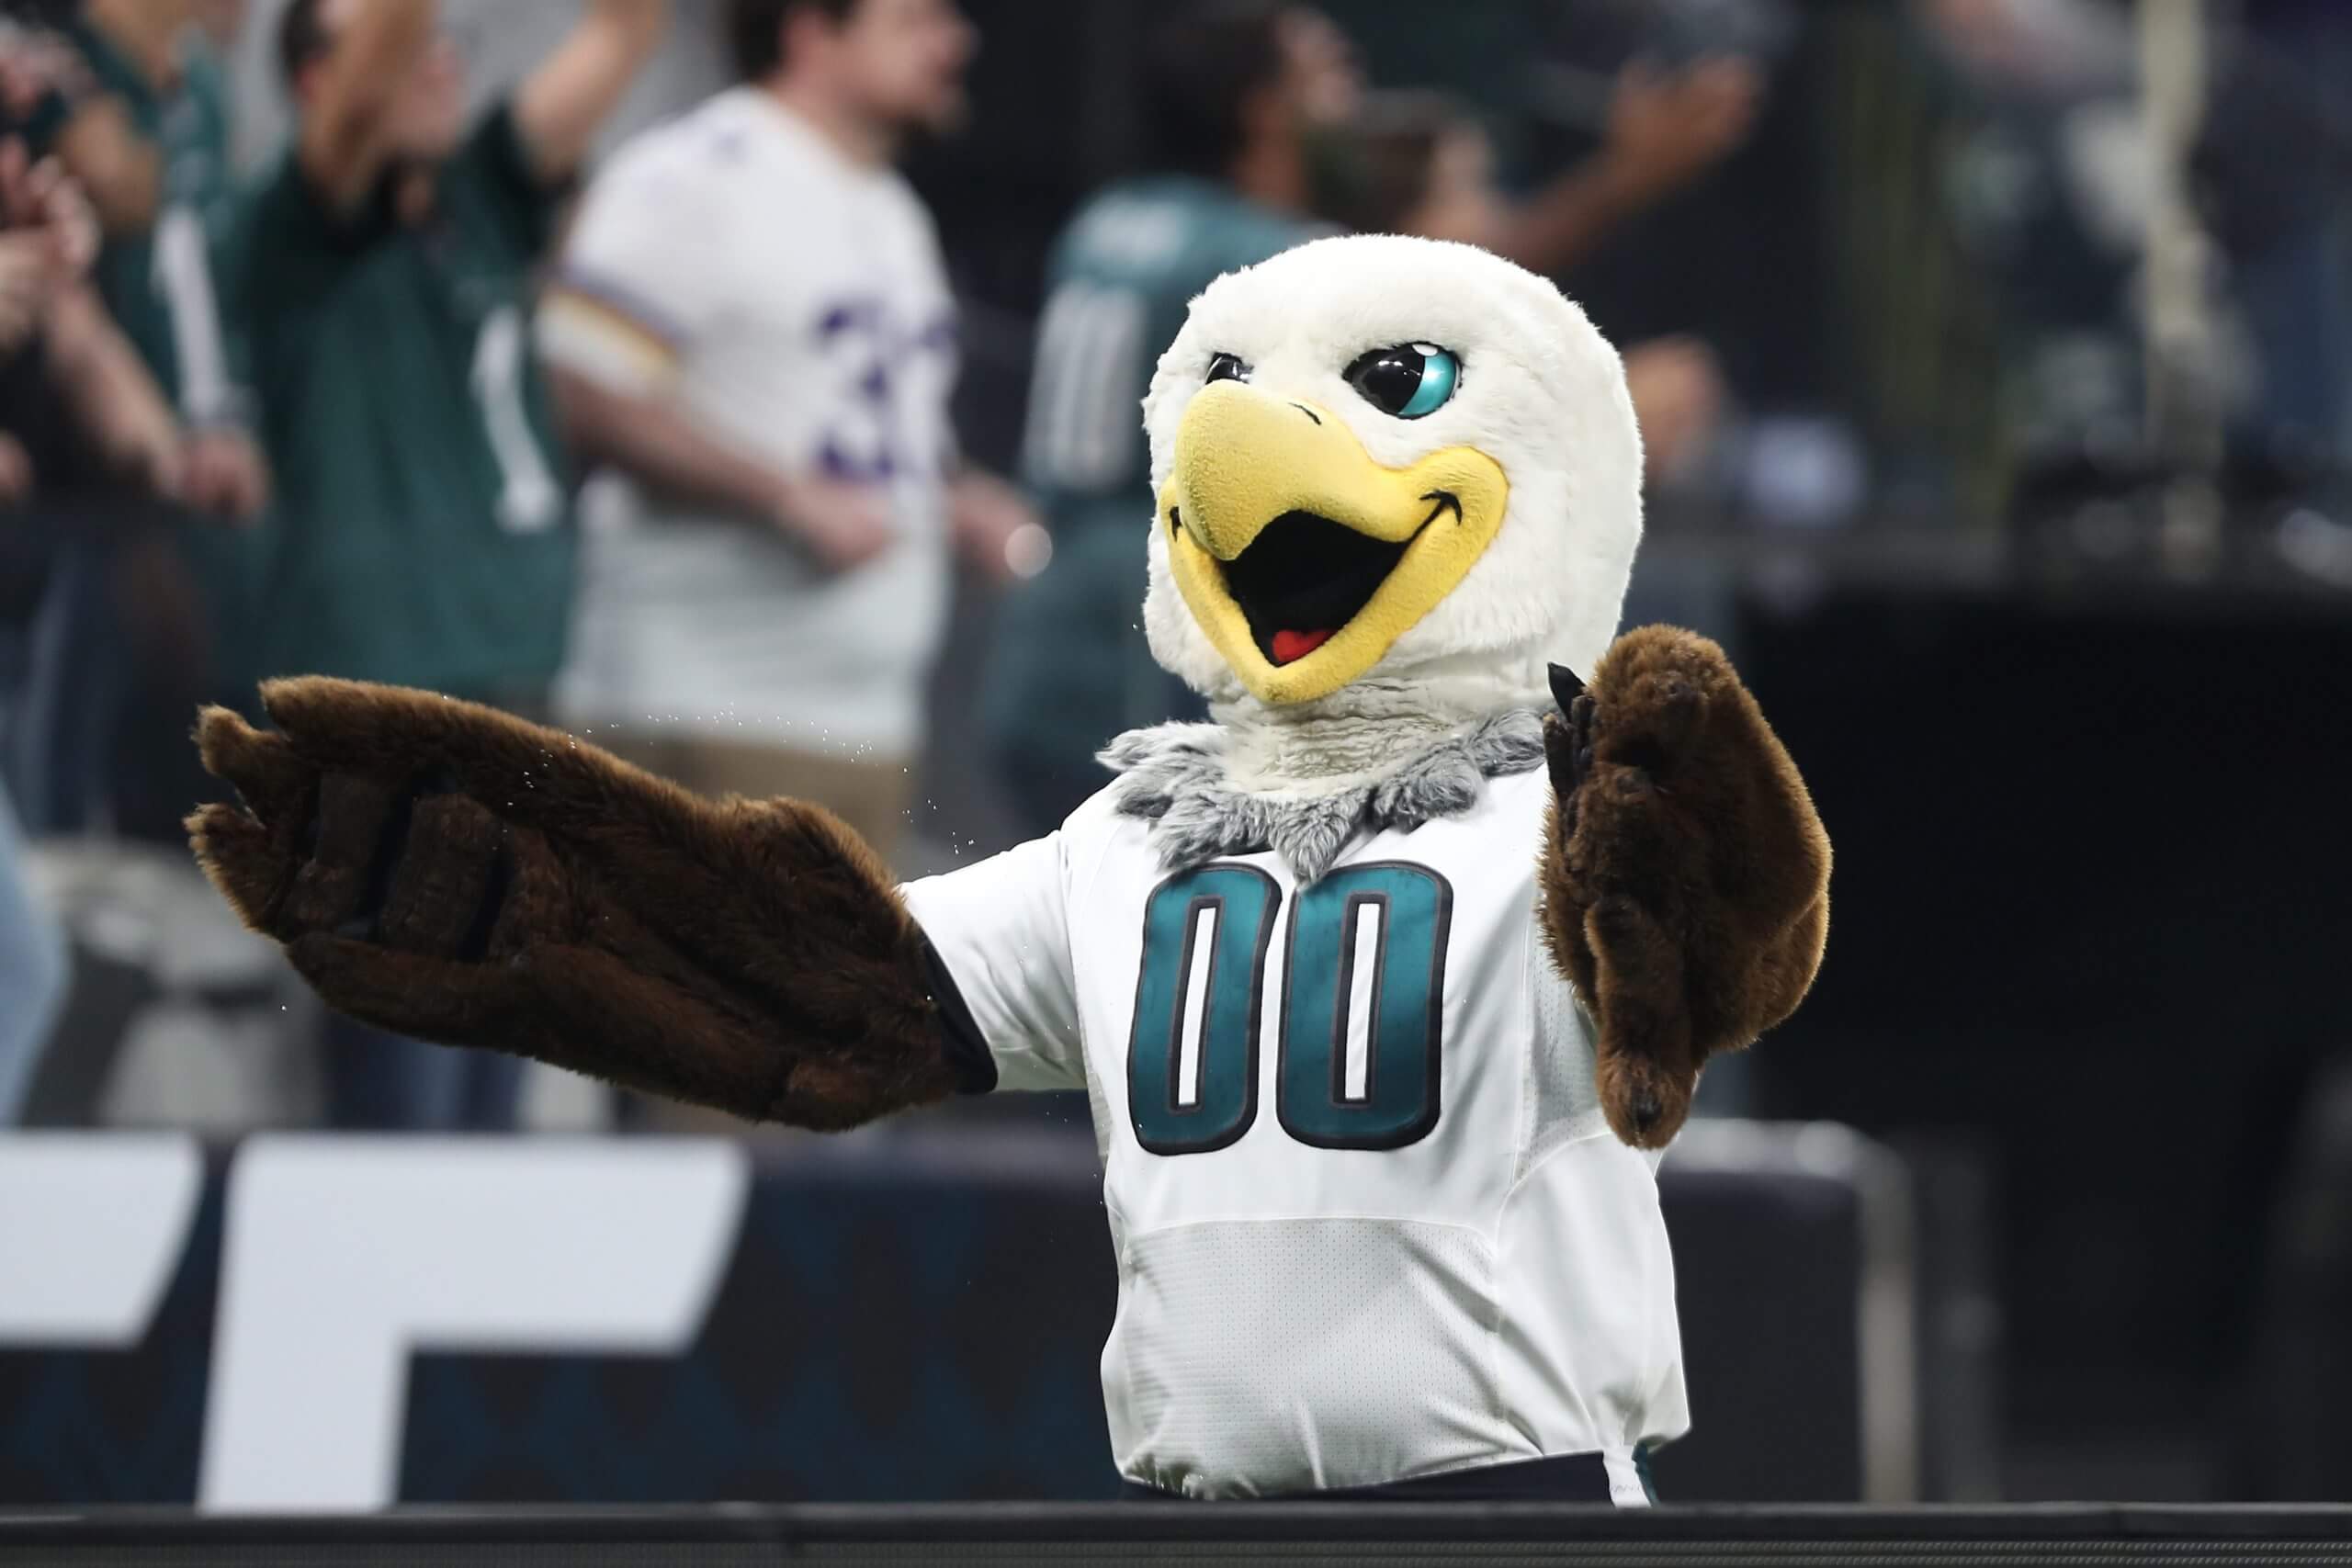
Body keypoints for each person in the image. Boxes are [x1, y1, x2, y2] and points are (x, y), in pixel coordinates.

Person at [221, 0, 667, 1131]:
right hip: (385, 713)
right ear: (319, 79)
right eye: (400, 44)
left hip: (514, 683)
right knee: (406, 1085)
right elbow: (367, 95)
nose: (437, 64)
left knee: (496, 1077)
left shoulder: (471, 199)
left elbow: (617, 38)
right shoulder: (293, 225)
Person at [537, 0, 1033, 863]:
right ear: (811, 31)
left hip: (867, 719)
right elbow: (578, 385)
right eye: (916, 20)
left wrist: (954, 497)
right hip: (704, 706)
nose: (956, 42)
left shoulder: (887, 203)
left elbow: (842, 414)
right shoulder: (696, 172)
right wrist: (783, 496)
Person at [981, 0, 1361, 838]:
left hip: (1051, 600)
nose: (1354, 97)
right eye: (1327, 74)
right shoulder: (1279, 253)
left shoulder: (1108, 218)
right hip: (1155, 633)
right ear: (1266, 108)